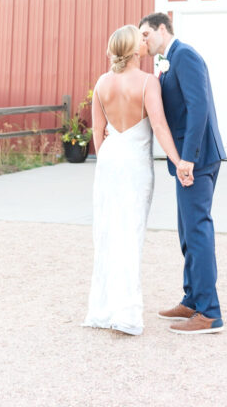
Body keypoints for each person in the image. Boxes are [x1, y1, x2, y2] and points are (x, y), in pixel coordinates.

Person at [83, 24, 193, 336]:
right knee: (130, 236)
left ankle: (103, 310)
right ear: (133, 50)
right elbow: (159, 125)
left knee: (106, 234)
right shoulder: (147, 82)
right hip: (134, 166)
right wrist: (178, 161)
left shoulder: (103, 82)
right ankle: (126, 315)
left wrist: (106, 158)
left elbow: (97, 130)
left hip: (109, 163)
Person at [139, 12, 226, 335]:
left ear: (163, 29)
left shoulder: (185, 55)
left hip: (197, 159)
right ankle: (192, 298)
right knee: (187, 231)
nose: (143, 41)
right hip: (187, 160)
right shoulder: (167, 59)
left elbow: (198, 106)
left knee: (198, 230)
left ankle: (209, 312)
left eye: (146, 34)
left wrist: (187, 158)